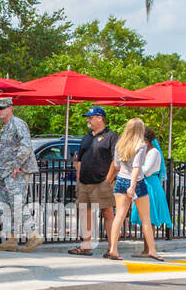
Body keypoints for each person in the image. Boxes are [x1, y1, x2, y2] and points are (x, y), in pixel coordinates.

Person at [106, 117, 164, 261]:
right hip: (136, 182)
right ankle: (152, 250)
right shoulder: (141, 145)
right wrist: (132, 186)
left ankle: (113, 249)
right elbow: (137, 167)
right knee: (146, 219)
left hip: (120, 180)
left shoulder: (120, 144)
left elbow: (117, 165)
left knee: (118, 216)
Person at [0, 97, 43, 252]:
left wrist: (17, 164)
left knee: (17, 204)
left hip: (17, 172)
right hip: (6, 172)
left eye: (2, 108)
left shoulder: (18, 124)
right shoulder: (6, 127)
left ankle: (34, 235)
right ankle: (11, 239)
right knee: (5, 205)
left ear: (11, 108)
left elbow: (26, 146)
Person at [69, 106, 118, 255]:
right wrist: (78, 177)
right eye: (88, 117)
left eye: (90, 117)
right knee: (85, 213)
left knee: (107, 213)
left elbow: (116, 160)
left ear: (100, 118)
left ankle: (112, 248)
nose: (88, 120)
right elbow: (79, 158)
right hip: (84, 182)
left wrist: (108, 180)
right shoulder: (87, 137)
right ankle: (86, 245)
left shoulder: (111, 136)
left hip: (102, 182)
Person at [131, 127, 173, 235]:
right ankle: (146, 247)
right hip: (143, 185)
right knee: (144, 218)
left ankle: (148, 248)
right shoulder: (142, 152)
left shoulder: (154, 152)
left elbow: (147, 171)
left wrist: (136, 167)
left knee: (150, 218)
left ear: (145, 139)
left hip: (151, 186)